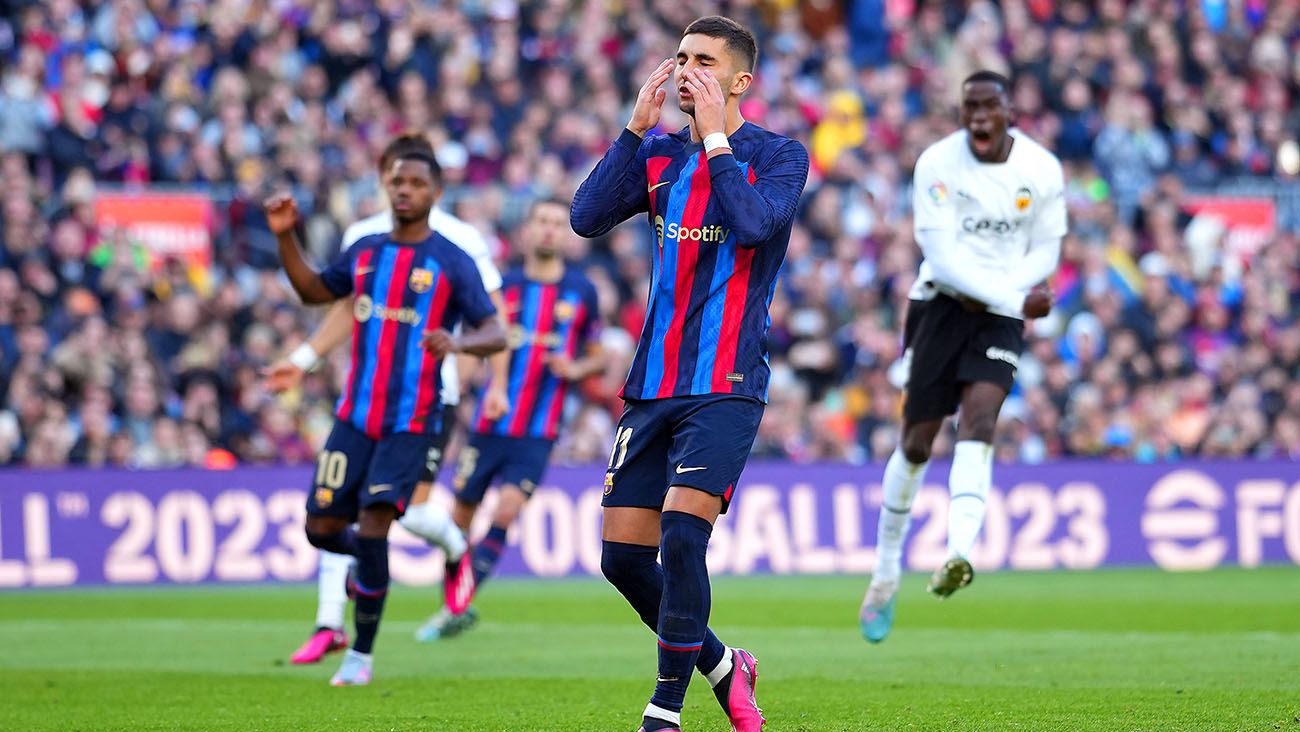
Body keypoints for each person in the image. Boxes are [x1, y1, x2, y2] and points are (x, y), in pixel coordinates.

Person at [571, 16, 809, 732]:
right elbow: (585, 217)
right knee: (622, 559)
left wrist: (714, 136)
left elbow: (754, 224)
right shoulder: (660, 158)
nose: (684, 70)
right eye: (678, 56)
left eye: (702, 60)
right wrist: (634, 131)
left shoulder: (778, 155)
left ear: (740, 82)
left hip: (726, 383)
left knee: (681, 535)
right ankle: (724, 665)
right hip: (652, 383)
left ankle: (664, 711)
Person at [265, 133, 510, 665]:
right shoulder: (364, 243)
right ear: (383, 180)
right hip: (358, 408)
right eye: (395, 179)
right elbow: (334, 304)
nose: (404, 190)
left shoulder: (459, 247)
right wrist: (304, 359)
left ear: (437, 189)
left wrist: (479, 369)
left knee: (385, 516)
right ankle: (362, 587)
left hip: (424, 406)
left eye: (416, 181)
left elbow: (494, 322)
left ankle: (347, 632)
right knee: (327, 524)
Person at [858, 70, 1067, 643]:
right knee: (918, 442)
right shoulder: (937, 164)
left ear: (1008, 112)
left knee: (979, 420)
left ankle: (959, 551)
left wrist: (1012, 295)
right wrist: (1017, 296)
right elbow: (943, 258)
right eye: (969, 107)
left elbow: (1046, 245)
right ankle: (884, 575)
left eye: (988, 106)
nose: (978, 117)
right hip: (941, 307)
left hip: (999, 314)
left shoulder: (1041, 170)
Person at [416, 197, 606, 641]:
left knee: (506, 510)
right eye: (542, 221)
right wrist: (459, 386)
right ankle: (452, 602)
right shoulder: (503, 288)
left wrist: (574, 368)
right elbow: (476, 341)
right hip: (488, 425)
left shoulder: (583, 293)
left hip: (537, 433)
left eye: (557, 224)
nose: (548, 230)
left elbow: (597, 357)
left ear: (566, 235)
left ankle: (454, 607)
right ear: (527, 231)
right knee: (459, 520)